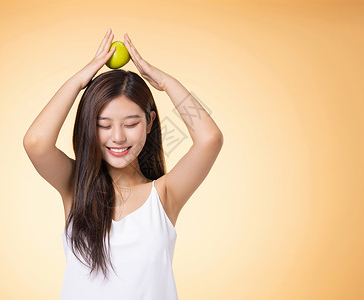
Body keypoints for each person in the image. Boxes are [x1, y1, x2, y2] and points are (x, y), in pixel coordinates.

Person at [23, 28, 224, 300]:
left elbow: (209, 138)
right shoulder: (75, 188)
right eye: (103, 125)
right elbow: (36, 142)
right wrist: (79, 81)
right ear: (89, 127)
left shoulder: (164, 195)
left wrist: (165, 82)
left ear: (150, 122)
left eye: (130, 124)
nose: (117, 137)